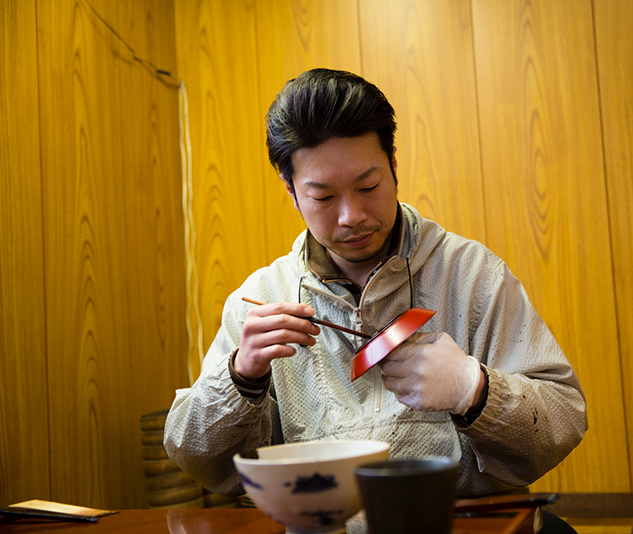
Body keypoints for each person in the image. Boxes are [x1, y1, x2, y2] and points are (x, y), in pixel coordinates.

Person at [164, 69, 587, 501]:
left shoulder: (472, 274)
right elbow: (196, 458)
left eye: (369, 186)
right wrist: (242, 377)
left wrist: (474, 390)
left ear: (394, 165)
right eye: (324, 197)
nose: (352, 215)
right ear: (291, 191)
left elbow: (564, 418)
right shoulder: (262, 300)